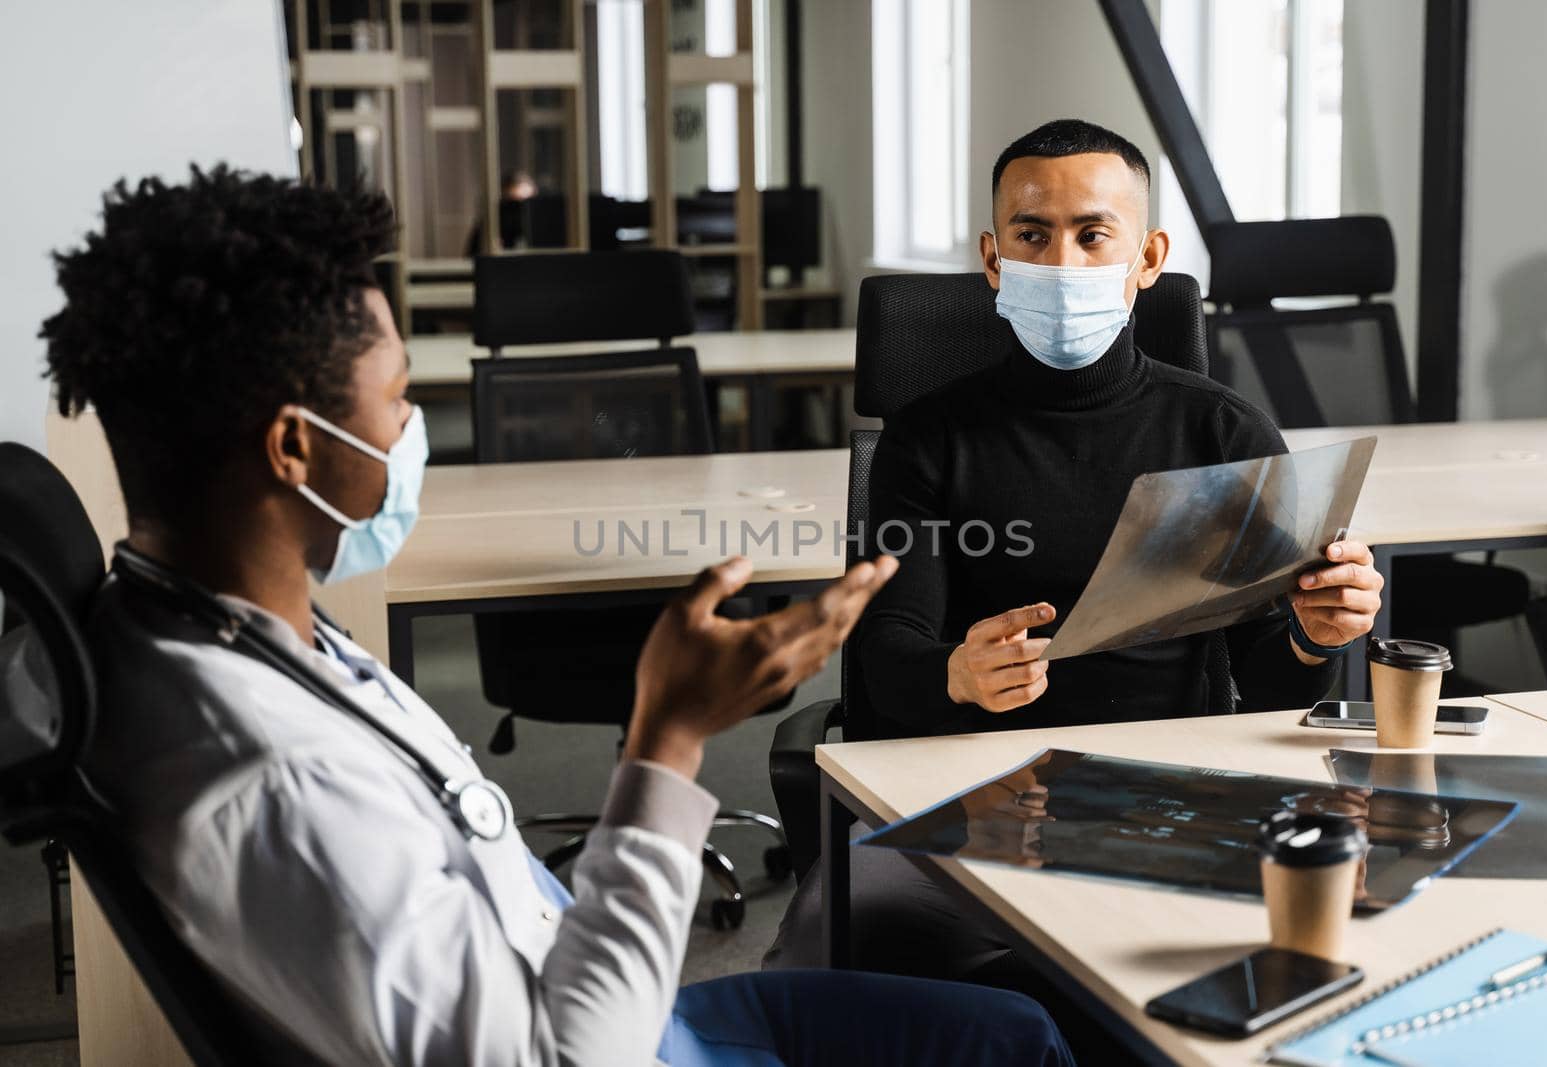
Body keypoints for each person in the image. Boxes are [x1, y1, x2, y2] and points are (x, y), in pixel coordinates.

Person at [41, 165, 1072, 1067]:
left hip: (611, 995)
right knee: (1021, 1042)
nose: (411, 427)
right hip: (616, 1035)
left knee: (1013, 1028)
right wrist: (667, 738)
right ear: (294, 448)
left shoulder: (208, 633)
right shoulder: (273, 777)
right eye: (399, 397)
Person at [765, 118, 1384, 1022]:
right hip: (971, 800)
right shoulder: (928, 437)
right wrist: (958, 673)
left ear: (1147, 257)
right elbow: (884, 664)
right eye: (1032, 235)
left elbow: (1270, 682)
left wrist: (1311, 631)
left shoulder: (1222, 435)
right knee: (824, 953)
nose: (1062, 261)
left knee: (1323, 957)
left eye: (1094, 233)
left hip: (1173, 796)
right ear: (992, 258)